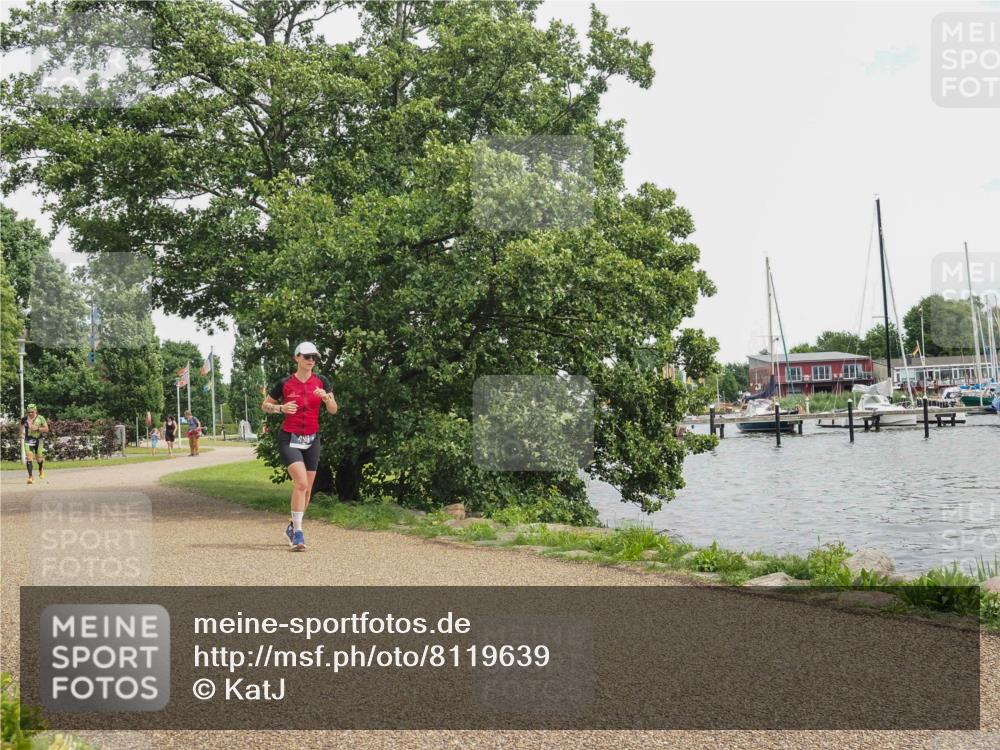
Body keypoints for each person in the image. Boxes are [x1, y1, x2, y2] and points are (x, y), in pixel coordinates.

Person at [262, 341, 338, 551]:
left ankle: (292, 526)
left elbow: (333, 410)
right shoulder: (285, 383)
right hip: (290, 437)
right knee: (301, 484)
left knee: (307, 490)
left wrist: (326, 399)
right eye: (306, 357)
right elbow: (265, 405)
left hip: (312, 439)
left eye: (314, 357)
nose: (311, 360)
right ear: (297, 358)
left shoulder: (322, 381)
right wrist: (281, 408)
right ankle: (298, 534)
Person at [20, 404, 49, 484]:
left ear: (35, 411)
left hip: (38, 440)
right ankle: (30, 477)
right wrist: (21, 433)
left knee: (39, 458)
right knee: (29, 458)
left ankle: (40, 469)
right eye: (28, 412)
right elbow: (21, 425)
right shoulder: (24, 419)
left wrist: (37, 428)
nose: (30, 414)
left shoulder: (41, 418)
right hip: (28, 440)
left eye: (32, 412)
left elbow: (46, 429)